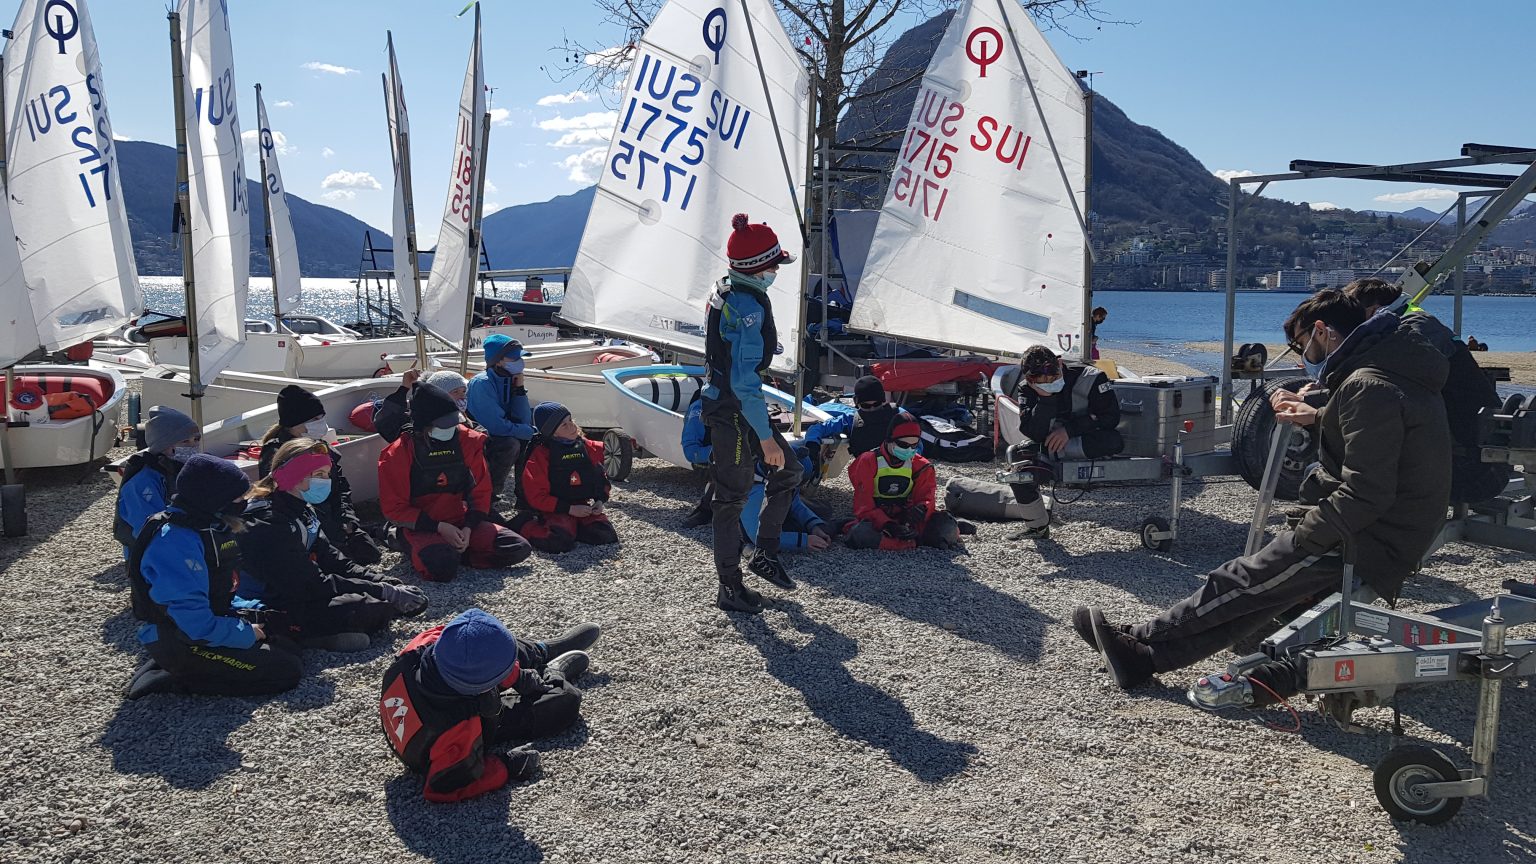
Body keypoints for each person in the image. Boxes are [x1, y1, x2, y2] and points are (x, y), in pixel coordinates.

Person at [1076, 290, 1451, 698]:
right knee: (1260, 596)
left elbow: (1367, 490)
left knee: (1239, 578)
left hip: (1371, 534)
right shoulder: (1393, 367)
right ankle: (1144, 656)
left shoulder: (1368, 385)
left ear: (1321, 331)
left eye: (1300, 344)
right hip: (1395, 525)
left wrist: (1309, 531)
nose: (1301, 355)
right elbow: (1382, 437)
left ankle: (1142, 638)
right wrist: (1319, 417)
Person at [123, 454, 303, 699]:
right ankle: (178, 677)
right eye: (239, 498)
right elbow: (194, 622)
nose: (244, 503)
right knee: (286, 671)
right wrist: (245, 633)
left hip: (205, 622)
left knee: (289, 639)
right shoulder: (176, 543)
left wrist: (257, 613)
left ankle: (183, 663)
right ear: (214, 500)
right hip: (185, 635)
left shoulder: (208, 525)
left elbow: (220, 591)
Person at [379, 609, 599, 802]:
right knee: (566, 701)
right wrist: (507, 766)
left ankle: (543, 651)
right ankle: (553, 674)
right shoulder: (457, 732)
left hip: (437, 696)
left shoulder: (420, 649)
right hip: (456, 727)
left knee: (489, 647)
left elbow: (469, 649)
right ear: (482, 688)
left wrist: (517, 677)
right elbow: (441, 788)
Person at [238, 438, 431, 652]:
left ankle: (325, 633)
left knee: (384, 601)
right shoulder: (267, 522)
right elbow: (312, 583)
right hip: (272, 601)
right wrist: (382, 591)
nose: (326, 481)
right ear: (294, 476)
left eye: (327, 475)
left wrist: (386, 581)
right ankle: (304, 637)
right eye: (319, 475)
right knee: (370, 607)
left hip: (302, 590)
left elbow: (333, 559)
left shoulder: (303, 509)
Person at [701, 213, 803, 614]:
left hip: (734, 404)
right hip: (733, 412)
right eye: (774, 264)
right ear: (758, 268)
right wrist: (764, 437)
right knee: (730, 499)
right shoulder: (748, 307)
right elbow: (744, 383)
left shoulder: (725, 286)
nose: (777, 270)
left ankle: (765, 553)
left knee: (791, 471)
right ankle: (730, 587)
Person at [1343, 278, 1506, 504]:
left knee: (1364, 474)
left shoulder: (1412, 332)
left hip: (1472, 467)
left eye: (1352, 317)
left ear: (1372, 309)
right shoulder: (1414, 320)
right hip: (1480, 457)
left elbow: (1387, 389)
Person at [378, 383, 533, 582]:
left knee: (518, 548)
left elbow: (481, 492)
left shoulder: (468, 441)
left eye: (454, 422)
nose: (452, 428)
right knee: (440, 569)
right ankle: (395, 536)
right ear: (423, 426)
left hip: (460, 520)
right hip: (421, 525)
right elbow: (394, 508)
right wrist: (439, 527)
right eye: (444, 425)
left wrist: (469, 527)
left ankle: (457, 552)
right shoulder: (398, 453)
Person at [258, 385, 383, 565]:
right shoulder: (276, 455)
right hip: (304, 523)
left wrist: (347, 521)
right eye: (315, 419)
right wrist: (332, 531)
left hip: (333, 517)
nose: (321, 422)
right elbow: (282, 502)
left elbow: (340, 488)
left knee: (369, 553)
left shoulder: (320, 447)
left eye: (322, 417)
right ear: (295, 423)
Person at [1009, 345, 1123, 540]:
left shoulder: (1092, 378)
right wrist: (1045, 400)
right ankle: (1037, 527)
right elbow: (1032, 431)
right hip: (1050, 443)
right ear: (1030, 379)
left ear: (1060, 364)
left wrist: (1069, 431)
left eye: (1052, 377)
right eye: (1041, 381)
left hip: (1087, 438)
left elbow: (1111, 417)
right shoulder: (1026, 389)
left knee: (1113, 441)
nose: (1049, 382)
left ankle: (1055, 457)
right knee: (1016, 459)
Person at [509, 401, 619, 553]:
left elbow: (599, 476)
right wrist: (569, 509)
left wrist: (600, 500)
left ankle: (573, 526)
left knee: (605, 535)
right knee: (559, 542)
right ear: (552, 432)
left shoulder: (584, 446)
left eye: (571, 421)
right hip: (553, 508)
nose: (572, 427)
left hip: (581, 504)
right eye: (564, 425)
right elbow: (536, 495)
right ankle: (525, 524)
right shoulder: (541, 455)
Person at [844, 411, 961, 551]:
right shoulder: (868, 462)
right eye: (903, 445)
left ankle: (900, 542)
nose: (909, 450)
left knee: (945, 527)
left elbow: (926, 497)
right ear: (889, 440)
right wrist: (888, 524)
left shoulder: (922, 466)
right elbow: (864, 506)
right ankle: (911, 543)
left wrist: (921, 509)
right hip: (876, 519)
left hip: (907, 520)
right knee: (860, 533)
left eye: (914, 445)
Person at [114, 406, 200, 554]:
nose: (194, 446)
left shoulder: (185, 468)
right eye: (185, 442)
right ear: (164, 446)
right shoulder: (142, 481)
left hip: (185, 539)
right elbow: (147, 527)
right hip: (152, 553)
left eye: (197, 439)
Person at [465, 334, 534, 501]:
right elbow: (495, 426)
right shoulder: (482, 383)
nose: (520, 361)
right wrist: (527, 431)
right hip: (478, 435)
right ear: (498, 361)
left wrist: (519, 390)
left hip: (499, 431)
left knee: (533, 442)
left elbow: (523, 419)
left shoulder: (511, 379)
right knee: (511, 444)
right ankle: (487, 495)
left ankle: (526, 497)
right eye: (514, 357)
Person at [680, 390, 715, 528]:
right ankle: (706, 510)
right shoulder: (700, 407)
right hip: (706, 460)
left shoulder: (741, 400)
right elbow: (691, 452)